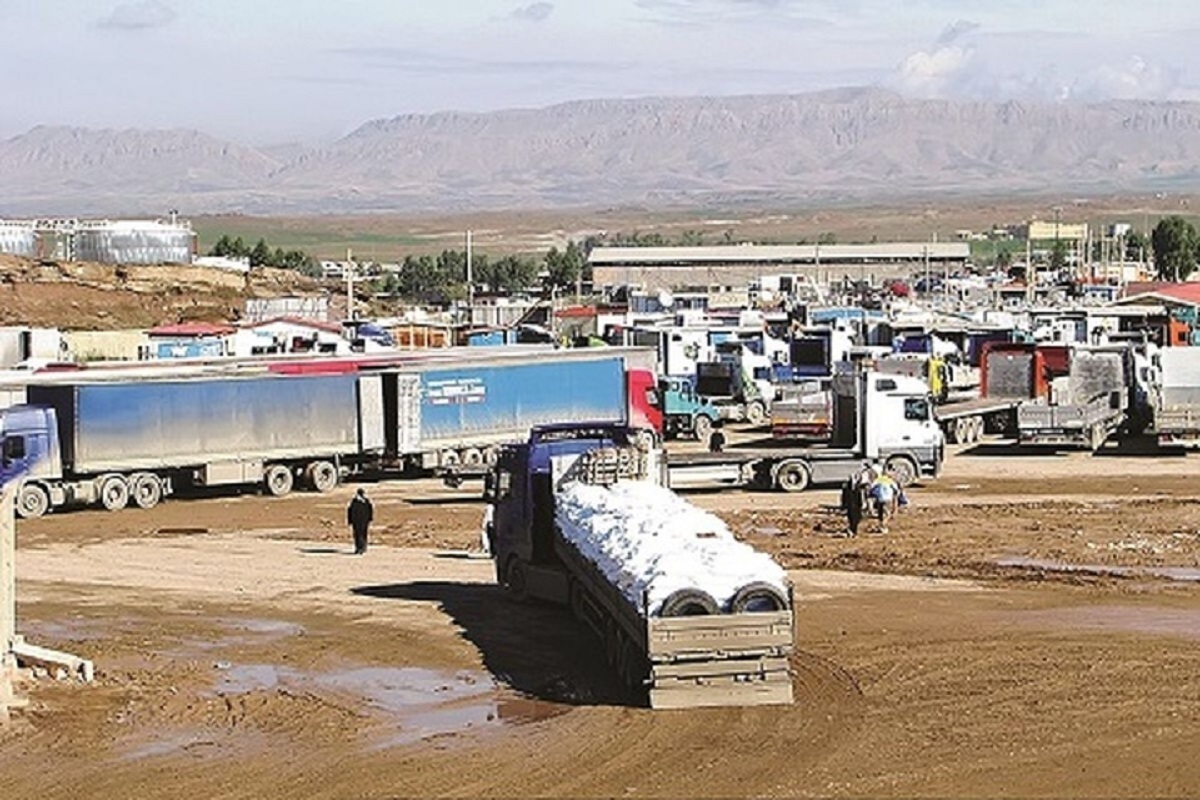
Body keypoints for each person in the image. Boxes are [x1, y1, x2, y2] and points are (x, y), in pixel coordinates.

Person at [347, 488, 374, 555]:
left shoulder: (365, 501)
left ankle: (362, 547)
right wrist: (350, 520)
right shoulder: (355, 501)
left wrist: (370, 519)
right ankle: (359, 548)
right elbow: (350, 511)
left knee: (363, 534)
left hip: (363, 521)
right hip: (357, 521)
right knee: (358, 535)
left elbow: (370, 510)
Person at [840, 472, 867, 537]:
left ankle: (852, 530)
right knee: (852, 519)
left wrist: (862, 504)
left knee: (857, 518)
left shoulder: (857, 488)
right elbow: (844, 497)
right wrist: (843, 506)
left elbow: (859, 497)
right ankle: (852, 531)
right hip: (850, 505)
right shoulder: (847, 488)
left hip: (856, 506)